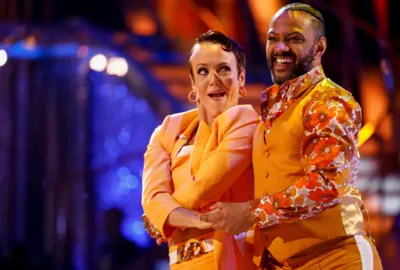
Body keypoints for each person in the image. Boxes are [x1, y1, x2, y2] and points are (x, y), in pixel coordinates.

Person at [201, 3, 383, 269]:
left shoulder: (327, 101)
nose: (280, 48)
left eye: (294, 38)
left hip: (336, 258)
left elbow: (326, 184)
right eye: (272, 38)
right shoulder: (271, 113)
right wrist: (174, 217)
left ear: (319, 48)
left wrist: (252, 212)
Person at [141, 30, 258, 269]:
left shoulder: (246, 120)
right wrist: (201, 221)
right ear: (193, 83)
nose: (214, 79)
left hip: (231, 260)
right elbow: (152, 198)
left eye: (224, 69)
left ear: (241, 79)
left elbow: (204, 186)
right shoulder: (167, 130)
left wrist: (165, 216)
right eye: (203, 71)